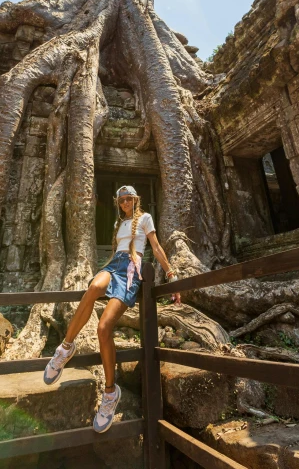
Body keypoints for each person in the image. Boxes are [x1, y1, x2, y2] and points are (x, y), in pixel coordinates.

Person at [43, 184, 180, 433]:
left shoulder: (146, 218)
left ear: (136, 200)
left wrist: (170, 273)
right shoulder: (118, 224)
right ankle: (65, 347)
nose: (125, 204)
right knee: (93, 288)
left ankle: (109, 393)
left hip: (131, 269)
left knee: (104, 328)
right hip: (113, 265)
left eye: (128, 199)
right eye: (121, 201)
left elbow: (156, 247)